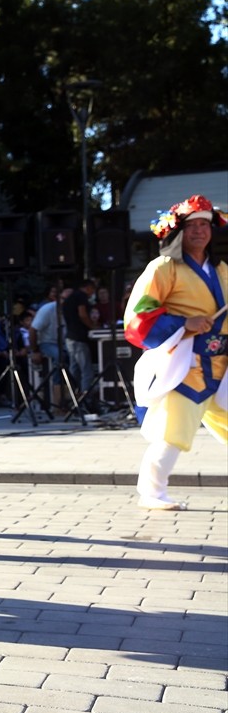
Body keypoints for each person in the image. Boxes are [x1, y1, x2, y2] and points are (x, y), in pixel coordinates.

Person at [124, 195, 227, 511]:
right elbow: (137, 316)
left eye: (204, 225)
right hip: (185, 363)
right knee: (173, 432)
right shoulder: (164, 267)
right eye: (193, 225)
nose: (199, 231)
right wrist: (185, 322)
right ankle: (152, 492)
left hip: (222, 364)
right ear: (179, 231)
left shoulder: (221, 269)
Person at [29, 285, 66, 413]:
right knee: (59, 357)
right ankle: (57, 400)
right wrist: (35, 351)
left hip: (64, 342)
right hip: (47, 342)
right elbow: (33, 330)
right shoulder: (47, 309)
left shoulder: (70, 309)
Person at [63, 279, 99, 397]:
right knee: (86, 370)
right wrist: (92, 327)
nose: (92, 293)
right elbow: (82, 314)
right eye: (92, 290)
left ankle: (74, 395)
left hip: (70, 337)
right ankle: (86, 396)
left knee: (75, 369)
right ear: (88, 287)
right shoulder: (81, 297)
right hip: (79, 338)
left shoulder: (69, 299)